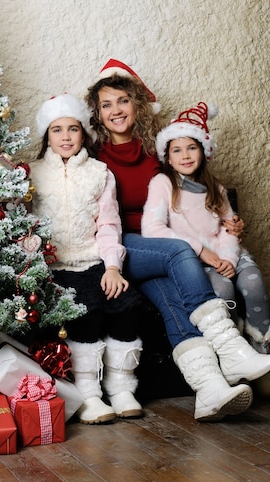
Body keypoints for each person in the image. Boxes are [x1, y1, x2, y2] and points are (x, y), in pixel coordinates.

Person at [86, 59, 270, 421]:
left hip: (159, 250)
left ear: (137, 105)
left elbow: (194, 199)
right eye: (106, 104)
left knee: (172, 300)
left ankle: (209, 389)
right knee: (179, 251)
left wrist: (228, 223)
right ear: (98, 114)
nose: (116, 110)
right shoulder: (94, 158)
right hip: (123, 245)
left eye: (122, 100)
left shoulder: (157, 156)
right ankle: (230, 347)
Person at [30, 93, 145, 424]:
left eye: (73, 129)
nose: (66, 137)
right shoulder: (33, 174)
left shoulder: (99, 173)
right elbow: (24, 224)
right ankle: (89, 393)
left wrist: (112, 267)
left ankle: (121, 386)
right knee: (86, 311)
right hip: (53, 267)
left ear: (84, 134)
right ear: (46, 136)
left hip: (92, 260)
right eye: (57, 130)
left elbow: (109, 224)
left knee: (126, 303)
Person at [142, 100, 270, 354]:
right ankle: (234, 352)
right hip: (194, 259)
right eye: (177, 150)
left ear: (203, 151)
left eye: (192, 148)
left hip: (227, 254)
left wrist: (229, 259)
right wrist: (201, 251)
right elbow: (152, 229)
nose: (186, 155)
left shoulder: (216, 188)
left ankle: (263, 346)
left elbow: (228, 228)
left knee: (254, 284)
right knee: (222, 290)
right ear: (167, 157)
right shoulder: (162, 184)